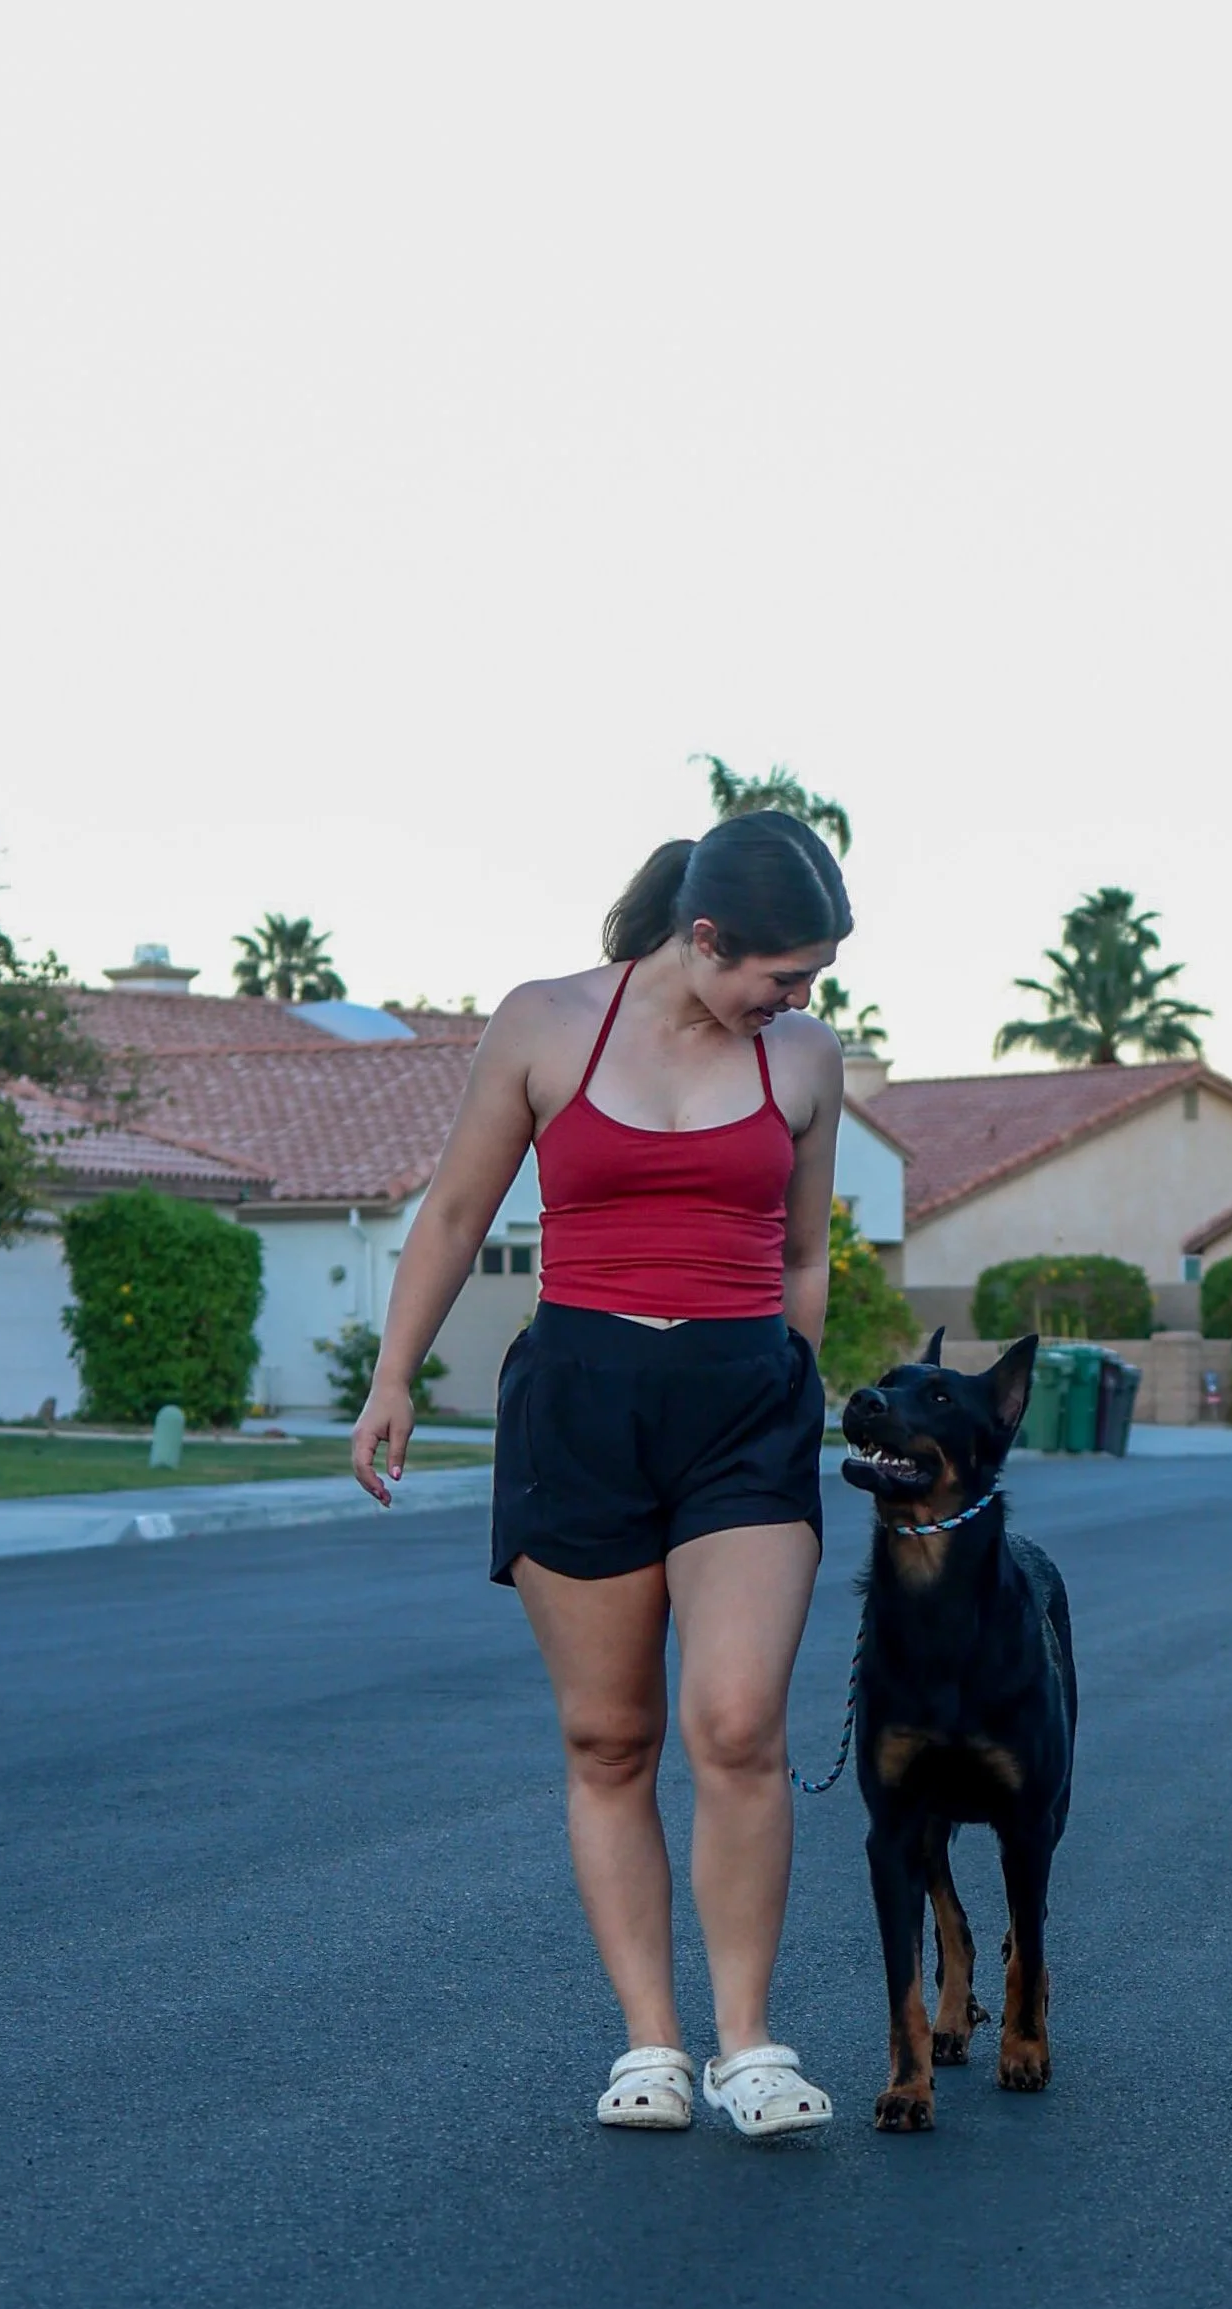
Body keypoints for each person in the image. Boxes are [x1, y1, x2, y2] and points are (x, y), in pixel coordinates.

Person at [350, 813, 851, 2139]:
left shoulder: (803, 1059)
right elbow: (457, 1210)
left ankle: (749, 2042)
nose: (796, 999)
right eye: (781, 973)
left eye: (809, 980)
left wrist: (797, 1378)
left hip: (745, 1406)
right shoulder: (542, 1022)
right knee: (607, 1736)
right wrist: (393, 1373)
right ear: (705, 937)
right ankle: (652, 2043)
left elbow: (803, 1252)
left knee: (739, 1724)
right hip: (579, 1397)